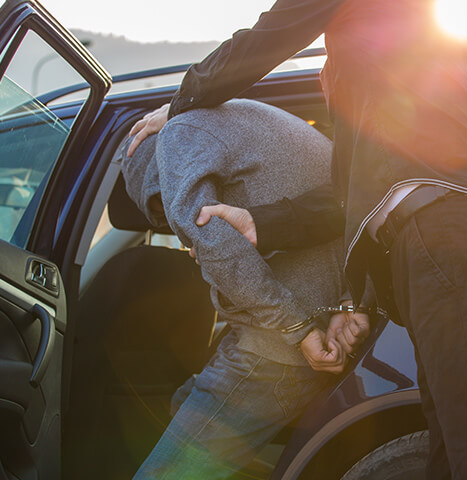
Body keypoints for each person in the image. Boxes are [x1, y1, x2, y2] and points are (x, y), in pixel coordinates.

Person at [127, 0, 467, 478]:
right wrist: (267, 227)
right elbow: (351, 199)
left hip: (451, 240)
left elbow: (266, 37)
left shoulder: (405, 60)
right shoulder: (434, 49)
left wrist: (181, 102)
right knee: (456, 453)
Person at [121, 98, 365, 479]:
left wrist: (295, 327)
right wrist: (349, 302)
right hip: (320, 327)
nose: (180, 239)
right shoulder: (246, 118)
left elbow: (211, 238)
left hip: (277, 353)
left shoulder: (175, 139)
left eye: (163, 212)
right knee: (179, 404)